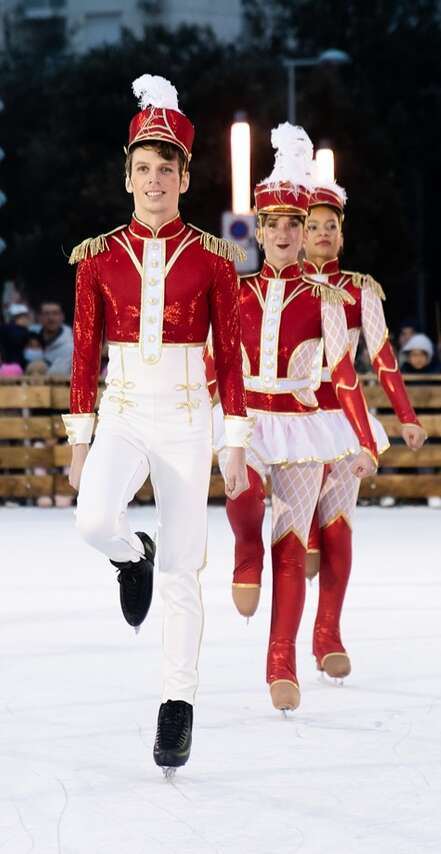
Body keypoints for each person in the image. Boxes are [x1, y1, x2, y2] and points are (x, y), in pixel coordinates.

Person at [63, 75, 251, 774]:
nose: (153, 181)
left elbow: (229, 359)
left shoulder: (212, 258)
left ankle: (177, 707)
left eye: (165, 169)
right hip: (122, 410)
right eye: (142, 169)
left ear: (184, 176)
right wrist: (80, 440)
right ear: (128, 175)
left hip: (185, 416)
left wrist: (235, 443)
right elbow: (84, 351)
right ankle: (125, 554)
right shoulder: (97, 258)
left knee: (183, 569)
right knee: (90, 521)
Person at [209, 123, 379, 712]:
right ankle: (242, 550)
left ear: (307, 232)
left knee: (292, 545)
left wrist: (364, 441)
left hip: (306, 427)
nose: (283, 234)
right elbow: (213, 360)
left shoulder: (327, 298)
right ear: (257, 230)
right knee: (243, 493)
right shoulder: (234, 291)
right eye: (272, 224)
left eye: (294, 225)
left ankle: (280, 659)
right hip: (247, 418)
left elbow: (345, 375)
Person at [301, 177, 426, 679]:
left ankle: (328, 633)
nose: (323, 233)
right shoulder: (276, 288)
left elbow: (382, 357)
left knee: (340, 531)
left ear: (342, 233)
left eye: (331, 226)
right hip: (288, 419)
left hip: (344, 420)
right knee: (300, 518)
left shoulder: (359, 290)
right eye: (313, 226)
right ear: (298, 232)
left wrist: (407, 417)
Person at [38, 302, 74, 376]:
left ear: (62, 317)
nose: (51, 318)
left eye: (55, 313)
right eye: (46, 314)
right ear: (40, 317)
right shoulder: (30, 341)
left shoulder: (71, 348)